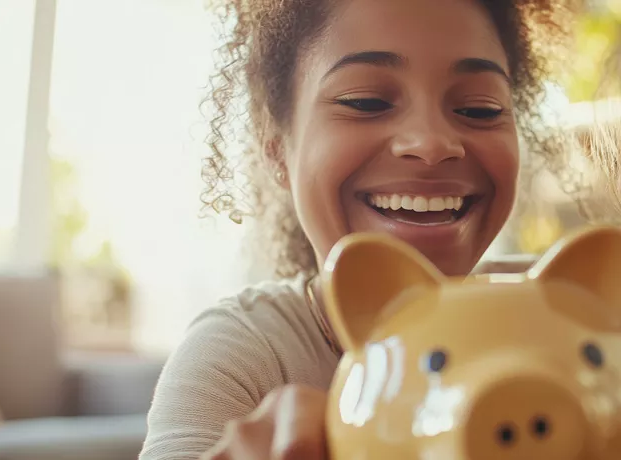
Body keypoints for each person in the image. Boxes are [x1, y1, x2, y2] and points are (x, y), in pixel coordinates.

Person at [139, 0, 577, 459]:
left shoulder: (574, 315)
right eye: (365, 102)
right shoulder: (243, 359)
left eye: (480, 108)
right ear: (275, 151)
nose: (431, 144)